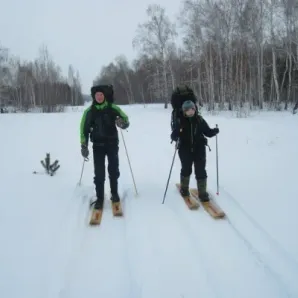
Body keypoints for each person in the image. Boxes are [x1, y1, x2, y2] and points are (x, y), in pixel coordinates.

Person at [80, 84, 129, 210]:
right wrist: (84, 145)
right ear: (94, 97)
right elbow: (83, 129)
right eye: (97, 95)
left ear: (104, 96)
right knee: (99, 173)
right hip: (98, 146)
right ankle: (100, 198)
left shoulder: (113, 108)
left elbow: (125, 119)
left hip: (112, 144)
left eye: (101, 94)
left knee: (113, 170)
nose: (99, 97)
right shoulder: (89, 112)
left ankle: (114, 194)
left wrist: (122, 123)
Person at [170, 86, 219, 202]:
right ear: (184, 111)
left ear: (195, 109)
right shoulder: (180, 122)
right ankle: (184, 189)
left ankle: (202, 193)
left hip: (199, 148)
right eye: (187, 110)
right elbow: (173, 136)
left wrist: (214, 131)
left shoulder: (200, 120)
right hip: (184, 148)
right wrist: (177, 133)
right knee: (186, 169)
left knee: (201, 170)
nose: (190, 112)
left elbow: (207, 132)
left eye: (192, 109)